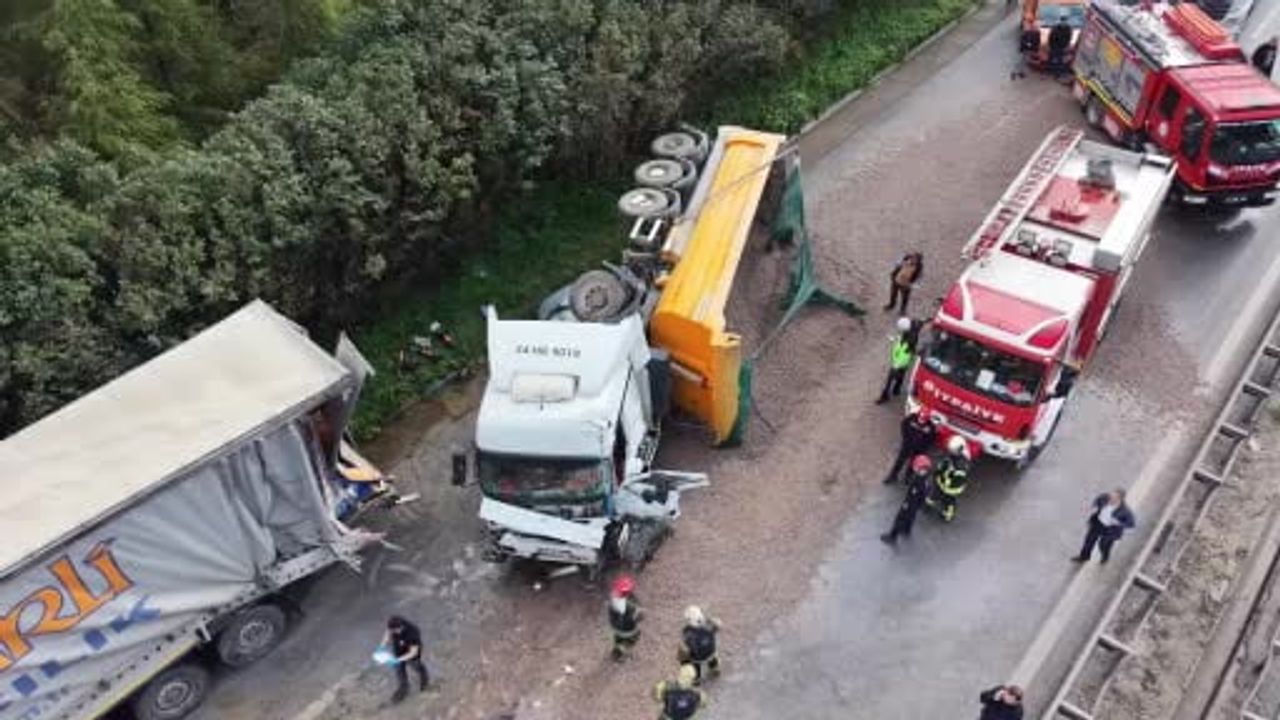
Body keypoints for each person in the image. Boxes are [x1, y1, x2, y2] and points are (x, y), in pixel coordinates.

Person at [1072, 489, 1136, 564]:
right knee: (1089, 541)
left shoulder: (1125, 511)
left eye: (1114, 497)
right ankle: (1084, 557)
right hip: (1098, 523)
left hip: (1111, 530)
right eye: (1111, 496)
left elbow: (1131, 524)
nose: (1110, 498)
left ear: (1120, 499)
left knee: (1103, 545)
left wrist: (1118, 523)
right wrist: (1094, 505)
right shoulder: (1105, 497)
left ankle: (1105, 557)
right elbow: (1098, 499)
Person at [881, 454, 934, 545]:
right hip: (916, 505)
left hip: (910, 503)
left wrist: (906, 504)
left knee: (900, 518)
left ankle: (892, 536)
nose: (916, 470)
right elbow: (926, 493)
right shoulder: (926, 480)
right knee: (911, 517)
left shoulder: (918, 481)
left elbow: (912, 495)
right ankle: (906, 530)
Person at [884, 407, 940, 483]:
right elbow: (903, 424)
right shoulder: (912, 418)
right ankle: (893, 476)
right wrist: (905, 438)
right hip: (907, 445)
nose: (921, 421)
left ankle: (907, 477)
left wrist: (922, 447)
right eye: (920, 418)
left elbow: (931, 439)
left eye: (923, 420)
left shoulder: (930, 427)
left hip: (918, 449)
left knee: (913, 464)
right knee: (899, 461)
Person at [383, 615, 429, 703]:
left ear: (400, 627)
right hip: (398, 650)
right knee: (399, 670)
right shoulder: (394, 623)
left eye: (395, 631)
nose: (393, 633)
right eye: (393, 631)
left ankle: (424, 681)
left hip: (412, 652)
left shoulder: (413, 632)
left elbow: (413, 652)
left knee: (416, 665)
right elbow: (388, 632)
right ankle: (403, 689)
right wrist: (382, 646)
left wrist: (399, 660)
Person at [927, 436, 971, 523]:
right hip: (943, 482)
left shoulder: (961, 466)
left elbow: (953, 480)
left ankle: (947, 515)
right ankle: (929, 503)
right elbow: (946, 460)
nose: (950, 451)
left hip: (951, 488)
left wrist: (940, 474)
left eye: (952, 450)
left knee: (949, 502)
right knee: (934, 493)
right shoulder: (957, 455)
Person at [875, 317, 918, 405]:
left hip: (899, 361)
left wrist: (897, 364)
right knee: (901, 374)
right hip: (903, 361)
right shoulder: (912, 333)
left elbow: (905, 348)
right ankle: (896, 389)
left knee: (890, 379)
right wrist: (895, 339)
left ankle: (885, 395)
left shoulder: (910, 339)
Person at [677, 606, 721, 684]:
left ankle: (696, 679)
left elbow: (687, 644)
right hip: (710, 651)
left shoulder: (686, 631)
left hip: (697, 657)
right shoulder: (709, 625)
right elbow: (718, 626)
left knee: (693, 662)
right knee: (712, 658)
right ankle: (715, 668)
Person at [608, 574, 643, 660]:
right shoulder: (629, 607)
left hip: (615, 627)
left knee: (617, 640)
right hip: (628, 630)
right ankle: (621, 654)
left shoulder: (613, 599)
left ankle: (616, 650)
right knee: (630, 641)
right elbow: (637, 617)